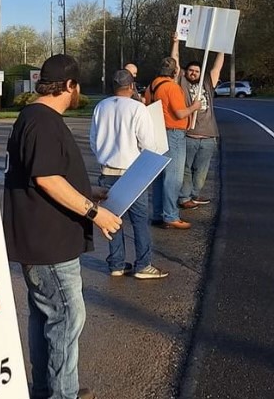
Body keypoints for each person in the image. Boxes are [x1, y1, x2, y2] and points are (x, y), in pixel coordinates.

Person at [3, 54, 121, 399]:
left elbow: (52, 176)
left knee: (47, 319)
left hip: (42, 238)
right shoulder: (42, 121)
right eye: (77, 86)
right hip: (48, 242)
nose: (78, 92)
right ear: (69, 86)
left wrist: (91, 193)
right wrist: (94, 213)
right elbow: (47, 179)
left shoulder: (33, 118)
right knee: (66, 319)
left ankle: (49, 394)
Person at [89, 70, 167, 280]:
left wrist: (104, 156)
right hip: (132, 172)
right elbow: (148, 144)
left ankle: (116, 263)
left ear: (113, 87)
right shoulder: (137, 108)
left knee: (112, 220)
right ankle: (143, 264)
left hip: (107, 171)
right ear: (132, 86)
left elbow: (93, 140)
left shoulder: (101, 107)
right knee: (140, 220)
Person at [170, 36, 224, 210]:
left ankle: (194, 194)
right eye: (191, 71)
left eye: (197, 71)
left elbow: (217, 67)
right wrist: (176, 42)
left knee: (201, 171)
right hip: (189, 134)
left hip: (208, 136)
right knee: (186, 168)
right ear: (186, 72)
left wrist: (222, 47)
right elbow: (175, 62)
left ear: (201, 73)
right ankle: (184, 197)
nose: (193, 73)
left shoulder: (207, 82)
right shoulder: (182, 83)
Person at [144, 55, 194, 230]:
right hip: (173, 132)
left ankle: (158, 213)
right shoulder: (172, 88)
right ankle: (171, 215)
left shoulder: (152, 86)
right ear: (174, 71)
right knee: (173, 176)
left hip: (157, 131)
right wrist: (194, 107)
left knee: (159, 176)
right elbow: (180, 113)